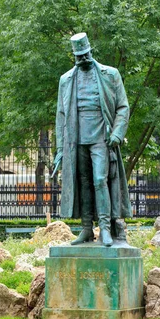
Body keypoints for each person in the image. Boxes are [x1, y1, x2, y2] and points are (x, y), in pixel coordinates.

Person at [54, 32, 132, 247]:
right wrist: (60, 149)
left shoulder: (111, 74)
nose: (82, 60)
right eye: (78, 57)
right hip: (76, 138)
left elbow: (123, 107)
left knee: (100, 180)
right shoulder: (66, 79)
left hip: (102, 137)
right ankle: (87, 229)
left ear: (90, 51)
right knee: (84, 183)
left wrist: (117, 133)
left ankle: (105, 228)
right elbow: (61, 116)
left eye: (85, 55)